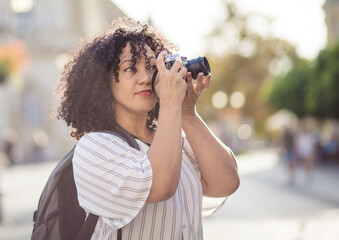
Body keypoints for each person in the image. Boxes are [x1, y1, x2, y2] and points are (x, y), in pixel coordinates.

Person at [56, 17, 239, 240]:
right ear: (104, 83)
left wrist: (187, 113)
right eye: (131, 68)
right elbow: (160, 185)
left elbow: (227, 182)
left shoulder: (173, 140)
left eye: (152, 67)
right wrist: (171, 103)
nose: (145, 78)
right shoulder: (93, 147)